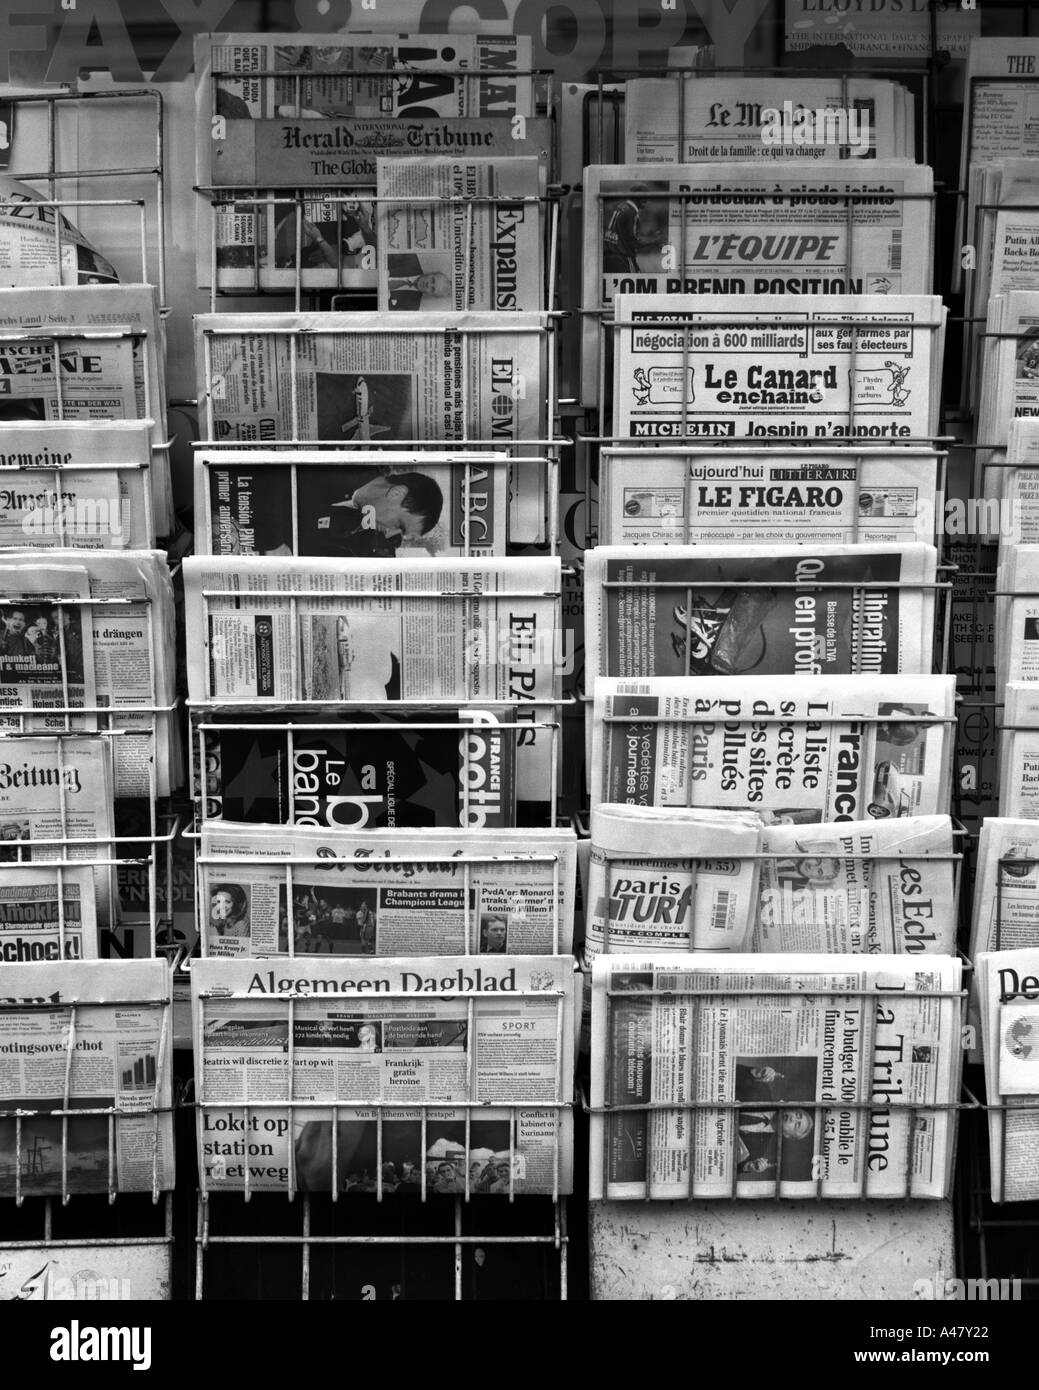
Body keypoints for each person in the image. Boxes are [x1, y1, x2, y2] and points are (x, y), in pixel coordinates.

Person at [267, 472, 444, 560]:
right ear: (396, 494)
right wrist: (273, 542)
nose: (390, 533)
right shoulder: (340, 467)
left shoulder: (355, 525)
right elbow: (269, 479)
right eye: (399, 525)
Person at [386, 253, 451, 309]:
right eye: (432, 280)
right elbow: (382, 253)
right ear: (430, 273)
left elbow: (386, 315)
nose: (428, 284)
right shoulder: (410, 258)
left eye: (432, 289)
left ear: (430, 295)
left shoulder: (412, 306)